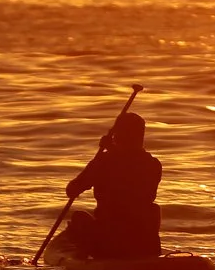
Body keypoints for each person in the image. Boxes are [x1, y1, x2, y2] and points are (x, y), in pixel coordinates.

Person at [64, 109, 163, 259]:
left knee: (78, 218)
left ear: (118, 136)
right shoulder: (154, 164)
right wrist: (111, 150)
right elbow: (130, 164)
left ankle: (87, 259)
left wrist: (108, 151)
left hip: (111, 243)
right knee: (152, 210)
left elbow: (72, 190)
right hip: (144, 243)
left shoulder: (103, 162)